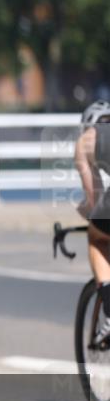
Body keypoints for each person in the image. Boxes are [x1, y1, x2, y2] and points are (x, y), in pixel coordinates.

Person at [75, 101, 110, 348]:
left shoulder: (86, 140)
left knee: (97, 237)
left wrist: (84, 211)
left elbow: (94, 199)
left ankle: (109, 314)